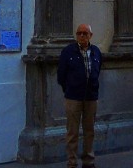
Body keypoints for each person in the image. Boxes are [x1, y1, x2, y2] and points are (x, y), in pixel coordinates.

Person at [57, 24, 102, 168]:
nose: (82, 36)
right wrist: (69, 88)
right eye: (79, 33)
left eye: (85, 33)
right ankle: (72, 162)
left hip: (90, 97)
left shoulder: (96, 52)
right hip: (73, 97)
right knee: (72, 132)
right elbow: (61, 75)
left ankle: (88, 161)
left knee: (89, 131)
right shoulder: (68, 52)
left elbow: (97, 70)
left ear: (90, 35)